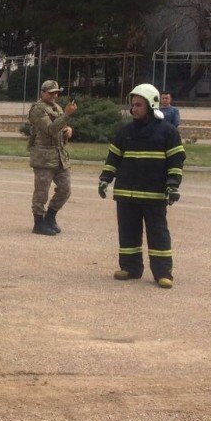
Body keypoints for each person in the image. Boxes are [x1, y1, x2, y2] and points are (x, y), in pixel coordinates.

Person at [97, 83, 185, 289]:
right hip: (126, 194)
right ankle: (130, 268)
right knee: (127, 232)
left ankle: (163, 273)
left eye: (138, 105)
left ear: (151, 105)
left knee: (158, 234)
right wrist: (105, 178)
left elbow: (176, 161)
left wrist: (173, 185)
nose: (133, 109)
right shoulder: (125, 131)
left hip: (154, 195)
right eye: (132, 105)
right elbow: (113, 158)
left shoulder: (168, 132)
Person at [28, 80, 78, 236]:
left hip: (59, 156)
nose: (54, 95)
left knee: (65, 189)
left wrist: (68, 130)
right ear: (42, 93)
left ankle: (50, 218)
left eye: (56, 92)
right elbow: (50, 129)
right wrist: (67, 115)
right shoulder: (37, 109)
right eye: (51, 92)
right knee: (41, 192)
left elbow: (59, 128)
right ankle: (38, 223)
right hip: (44, 157)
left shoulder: (56, 108)